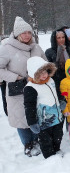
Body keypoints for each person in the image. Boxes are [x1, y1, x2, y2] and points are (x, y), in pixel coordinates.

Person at [0, 16, 46, 156]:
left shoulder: (36, 47)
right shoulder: (7, 48)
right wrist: (16, 78)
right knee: (22, 119)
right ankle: (28, 144)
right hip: (18, 90)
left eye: (29, 32)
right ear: (17, 34)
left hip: (38, 88)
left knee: (36, 116)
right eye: (23, 33)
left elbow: (46, 64)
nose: (27, 36)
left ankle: (37, 140)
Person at [24, 57, 64, 159]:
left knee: (58, 136)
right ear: (34, 73)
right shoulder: (31, 87)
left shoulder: (50, 80)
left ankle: (57, 149)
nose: (44, 75)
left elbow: (57, 92)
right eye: (40, 73)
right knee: (46, 140)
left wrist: (61, 101)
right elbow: (29, 106)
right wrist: (32, 122)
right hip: (44, 121)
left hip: (57, 116)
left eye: (45, 71)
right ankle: (49, 156)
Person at [45, 27, 70, 99]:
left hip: (69, 78)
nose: (61, 39)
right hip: (57, 80)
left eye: (63, 37)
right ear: (54, 39)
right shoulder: (49, 52)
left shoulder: (69, 49)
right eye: (58, 38)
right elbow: (48, 68)